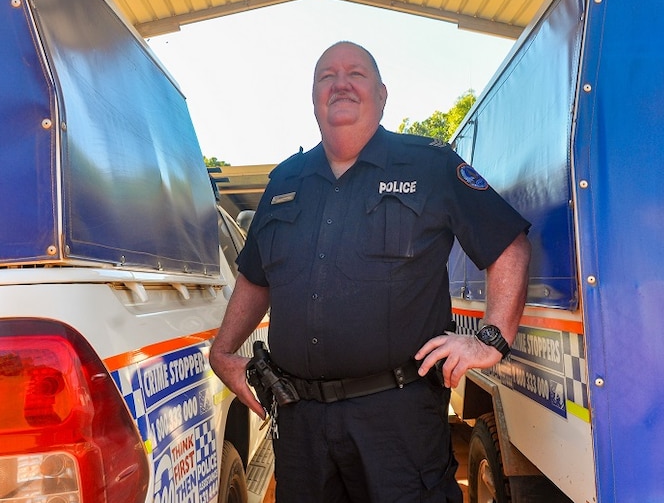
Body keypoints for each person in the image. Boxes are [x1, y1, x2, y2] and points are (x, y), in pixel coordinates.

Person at [209, 41, 531, 502]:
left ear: (382, 95)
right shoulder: (285, 181)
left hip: (397, 423)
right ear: (314, 98)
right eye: (326, 76)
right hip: (300, 426)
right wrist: (222, 352)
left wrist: (491, 339)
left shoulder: (429, 165)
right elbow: (255, 276)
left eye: (356, 73)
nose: (340, 83)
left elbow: (508, 245)